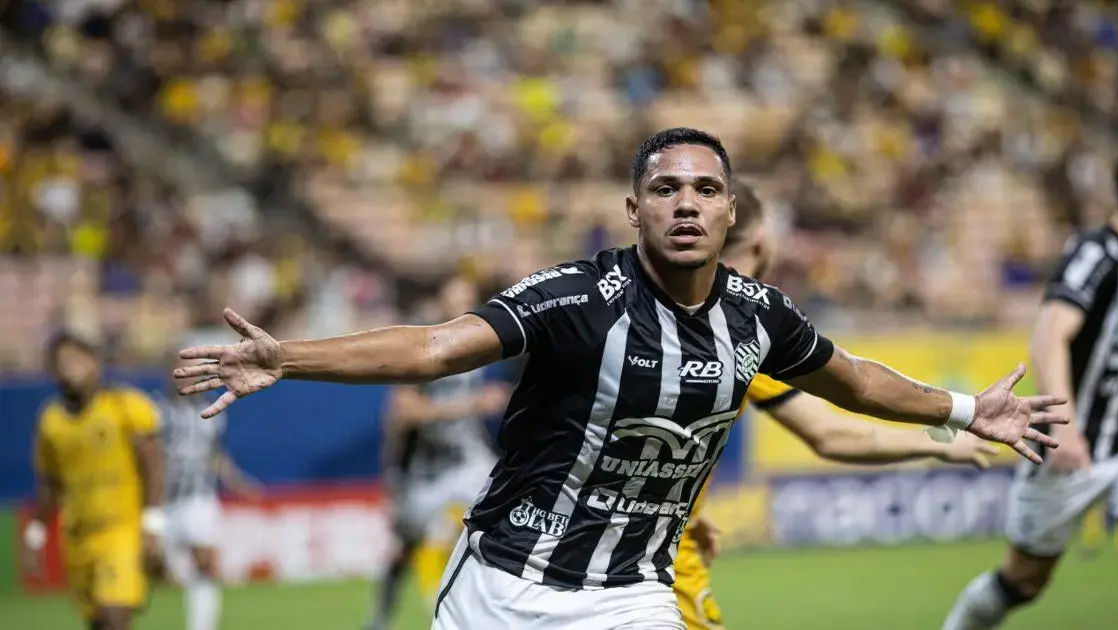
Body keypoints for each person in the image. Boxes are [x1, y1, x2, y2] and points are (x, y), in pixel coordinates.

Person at [175, 127, 1066, 630]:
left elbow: (854, 383)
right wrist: (287, 357)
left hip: (632, 596)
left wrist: (960, 409)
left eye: (706, 189)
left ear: (731, 210)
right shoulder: (574, 299)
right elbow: (436, 348)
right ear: (633, 208)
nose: (687, 203)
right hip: (502, 583)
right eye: (667, 189)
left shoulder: (758, 317)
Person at [673, 179, 998, 630]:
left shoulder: (638, 306)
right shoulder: (743, 326)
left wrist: (682, 507)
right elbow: (837, 423)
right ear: (762, 242)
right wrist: (942, 439)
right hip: (650, 559)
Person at [942, 137, 1118, 630]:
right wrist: (1070, 426)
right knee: (1022, 582)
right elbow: (1049, 333)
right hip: (1071, 439)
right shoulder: (1095, 253)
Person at [365, 276, 511, 630]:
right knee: (406, 547)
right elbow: (404, 412)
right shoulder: (423, 349)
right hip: (423, 467)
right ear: (440, 304)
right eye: (455, 300)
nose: (464, 310)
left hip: (465, 460)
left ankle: (495, 603)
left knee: (508, 505)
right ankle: (382, 618)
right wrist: (472, 404)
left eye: (469, 300)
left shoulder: (476, 349)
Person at [23, 331, 166, 630]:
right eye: (60, 363)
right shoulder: (50, 421)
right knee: (98, 623)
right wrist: (34, 536)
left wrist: (153, 526)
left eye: (75, 360)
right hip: (76, 537)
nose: (68, 368)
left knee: (115, 618)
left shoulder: (125, 406)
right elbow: (49, 484)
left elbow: (153, 466)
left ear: (94, 364)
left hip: (120, 532)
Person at [158, 347, 260, 630]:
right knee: (152, 571)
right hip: (161, 503)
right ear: (168, 372)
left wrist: (236, 480)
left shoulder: (213, 410)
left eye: (192, 369)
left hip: (198, 499)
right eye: (180, 368)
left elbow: (215, 455)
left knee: (205, 564)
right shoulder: (155, 411)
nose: (186, 375)